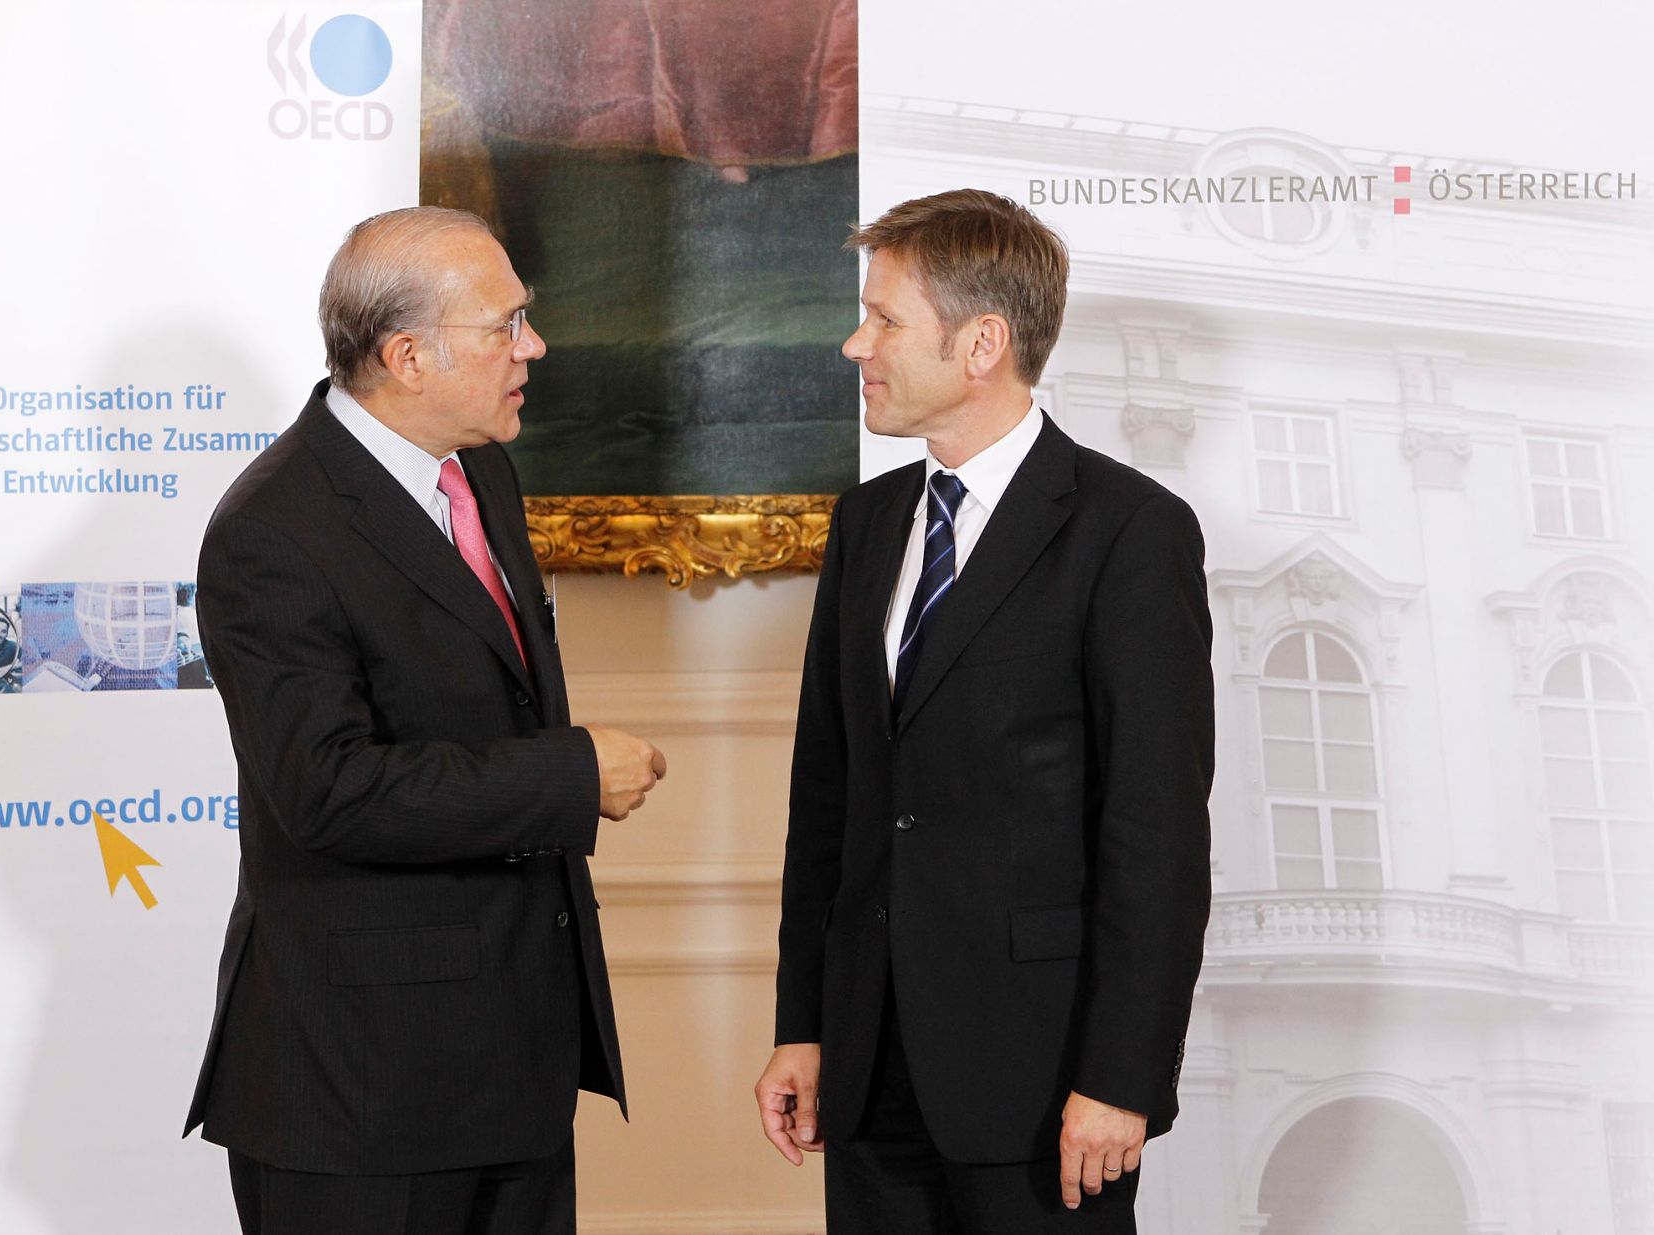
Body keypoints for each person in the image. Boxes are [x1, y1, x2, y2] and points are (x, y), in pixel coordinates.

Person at [183, 205, 667, 1235]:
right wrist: (569, 778)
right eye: (506, 325)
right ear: (406, 354)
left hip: (512, 1074)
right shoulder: (272, 528)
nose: (532, 347)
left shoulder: (478, 468)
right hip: (357, 1094)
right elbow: (329, 788)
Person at [754, 189, 1214, 1233]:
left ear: (980, 344)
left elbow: (1156, 834)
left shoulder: (1129, 533)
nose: (853, 342)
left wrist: (1121, 1074)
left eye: (882, 320)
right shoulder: (866, 524)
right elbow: (826, 799)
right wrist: (805, 1024)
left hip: (1044, 1080)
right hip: (868, 1073)